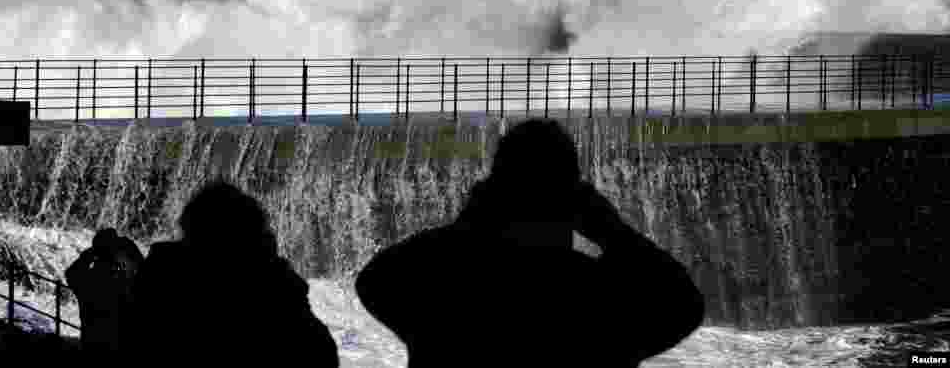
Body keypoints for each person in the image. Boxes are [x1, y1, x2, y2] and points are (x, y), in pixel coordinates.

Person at [355, 118, 706, 367]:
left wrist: (470, 225)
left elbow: (374, 280)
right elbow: (685, 304)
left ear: (494, 193)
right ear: (575, 203)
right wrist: (612, 231)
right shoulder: (603, 296)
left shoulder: (442, 290)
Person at [129, 179, 338, 366]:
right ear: (253, 240)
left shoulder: (163, 275)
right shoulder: (271, 287)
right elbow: (323, 355)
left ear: (189, 231)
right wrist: (278, 272)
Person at [65, 227, 144, 361]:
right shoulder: (124, 285)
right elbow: (144, 274)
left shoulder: (86, 281)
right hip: (118, 348)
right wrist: (130, 249)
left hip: (91, 346)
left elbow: (71, 273)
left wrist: (89, 253)